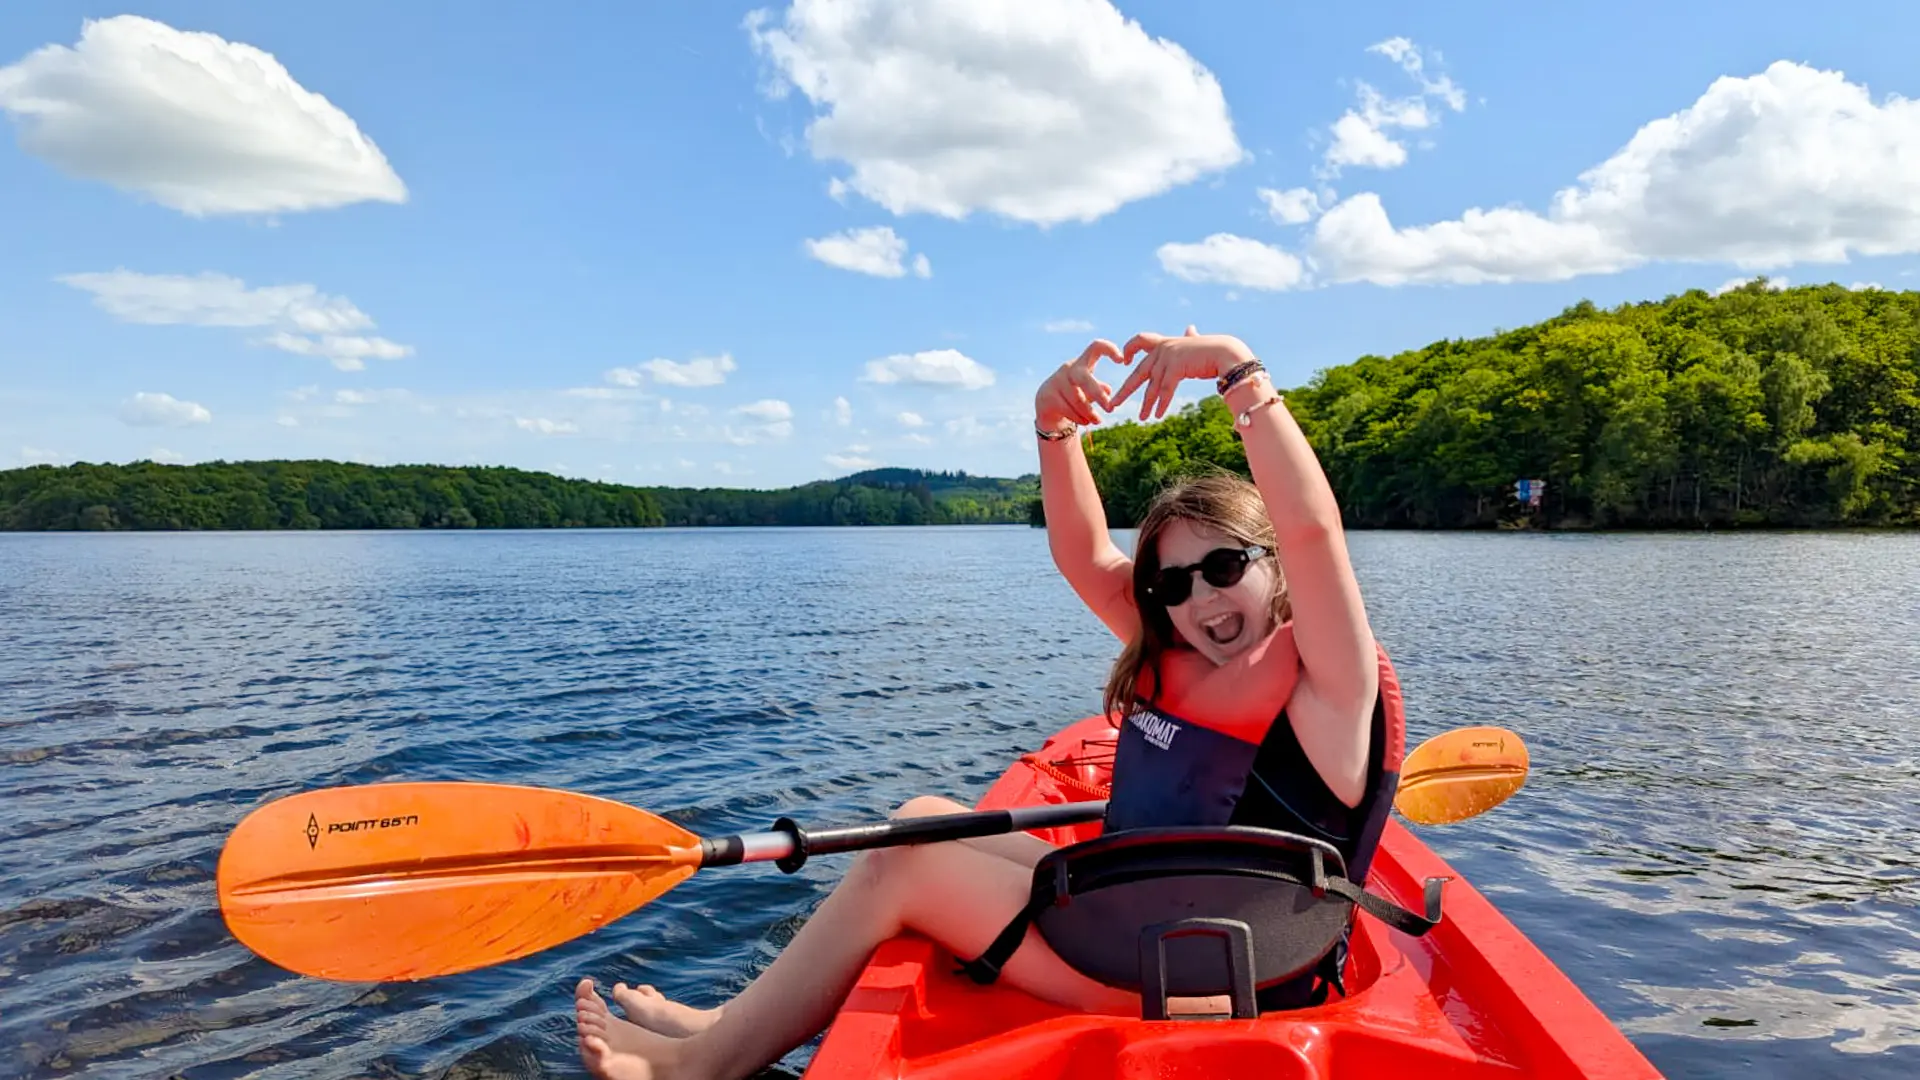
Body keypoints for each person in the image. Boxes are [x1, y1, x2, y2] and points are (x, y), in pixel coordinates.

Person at [574, 328, 1387, 1080]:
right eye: (1172, 582)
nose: (1199, 596)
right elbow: (1081, 553)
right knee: (924, 812)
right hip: (1139, 917)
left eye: (1222, 567)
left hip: (1211, 965)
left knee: (904, 864)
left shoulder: (1326, 684)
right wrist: (1053, 426)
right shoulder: (1172, 649)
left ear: (1274, 566)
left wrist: (1237, 372)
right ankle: (726, 1020)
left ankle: (701, 1067)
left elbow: (1315, 530)